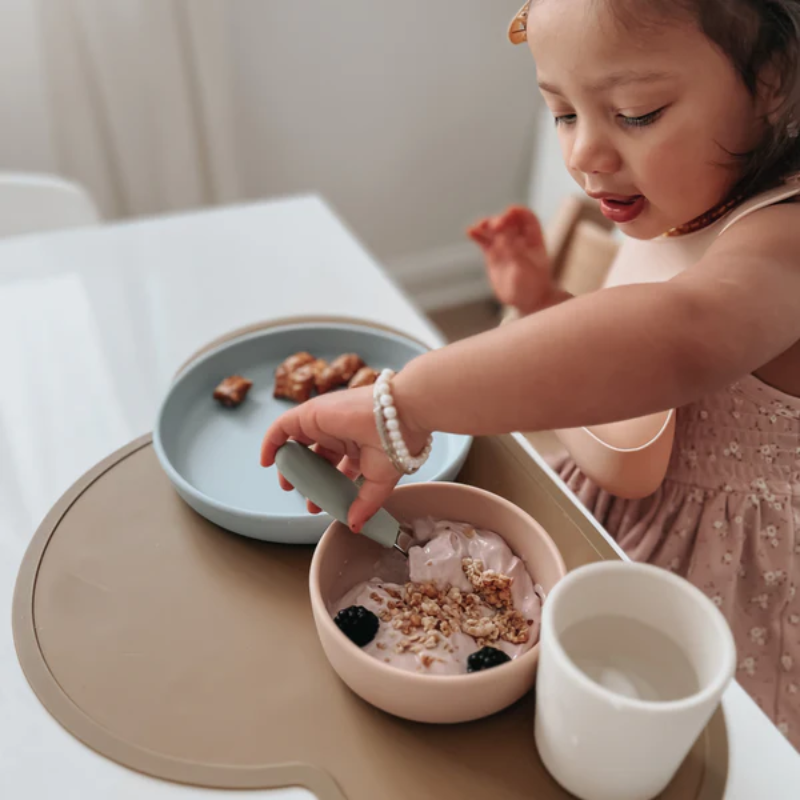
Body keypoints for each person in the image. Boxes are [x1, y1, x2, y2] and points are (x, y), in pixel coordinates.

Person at [261, 0, 800, 747]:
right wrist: (544, 302)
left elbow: (678, 339)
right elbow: (624, 375)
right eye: (562, 112)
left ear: (772, 81)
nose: (583, 155)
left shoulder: (786, 237)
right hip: (601, 510)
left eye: (636, 113)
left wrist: (409, 402)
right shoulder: (685, 199)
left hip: (716, 574)